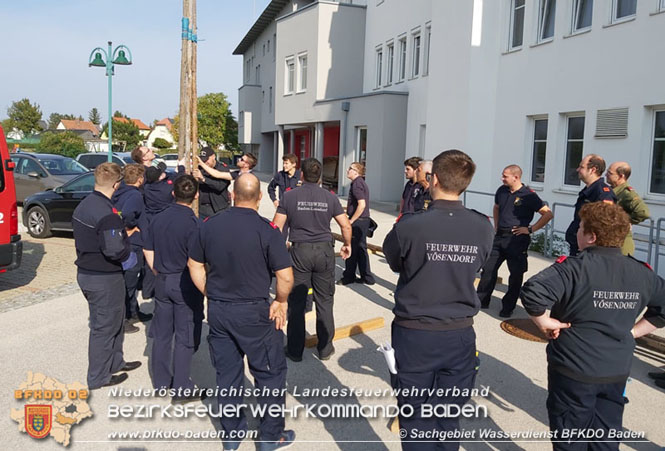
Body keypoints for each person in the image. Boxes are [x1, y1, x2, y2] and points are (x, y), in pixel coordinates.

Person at [520, 202, 665, 450]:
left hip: (573, 371)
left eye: (580, 227)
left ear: (591, 236)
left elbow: (533, 291)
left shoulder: (574, 267)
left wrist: (545, 322)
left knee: (570, 439)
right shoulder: (643, 273)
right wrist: (632, 332)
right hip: (616, 370)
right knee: (605, 439)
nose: (576, 231)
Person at [383, 149, 493, 451]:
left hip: (415, 333)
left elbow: (394, 261)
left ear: (433, 179)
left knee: (416, 418)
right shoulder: (483, 226)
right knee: (447, 416)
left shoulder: (409, 224)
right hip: (458, 333)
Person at [188, 173, 295, 451]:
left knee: (228, 375)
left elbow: (194, 265)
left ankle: (232, 434)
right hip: (255, 312)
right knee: (269, 375)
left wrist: (209, 293)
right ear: (260, 198)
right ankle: (270, 437)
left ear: (232, 195)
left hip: (221, 312)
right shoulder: (268, 230)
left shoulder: (208, 226)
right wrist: (281, 301)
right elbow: (285, 276)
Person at [272, 158, 352, 362]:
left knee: (297, 302)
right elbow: (345, 225)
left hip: (300, 252)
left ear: (302, 175)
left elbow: (276, 226)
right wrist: (347, 244)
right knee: (324, 300)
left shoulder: (289, 197)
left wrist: (277, 252)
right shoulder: (330, 197)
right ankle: (325, 349)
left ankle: (295, 350)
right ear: (320, 177)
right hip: (324, 251)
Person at [72, 163, 142, 389]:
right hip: (104, 277)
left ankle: (115, 362)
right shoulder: (106, 213)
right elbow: (114, 250)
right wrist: (129, 257)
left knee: (113, 322)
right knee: (104, 328)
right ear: (116, 184)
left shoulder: (85, 204)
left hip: (88, 273)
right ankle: (98, 377)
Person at [144, 175, 204, 403]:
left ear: (173, 193)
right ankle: (181, 388)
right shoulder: (195, 224)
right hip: (185, 282)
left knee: (161, 334)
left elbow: (148, 249)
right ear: (196, 195)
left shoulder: (157, 219)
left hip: (162, 280)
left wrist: (157, 271)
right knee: (185, 336)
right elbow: (195, 262)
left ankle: (161, 383)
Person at [476, 165, 553, 317]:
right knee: (488, 269)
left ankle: (508, 307)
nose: (502, 178)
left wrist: (530, 229)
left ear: (516, 177)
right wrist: (496, 226)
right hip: (500, 237)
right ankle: (481, 301)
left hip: (517, 239)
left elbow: (548, 214)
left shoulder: (529, 195)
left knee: (516, 275)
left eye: (505, 176)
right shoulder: (502, 190)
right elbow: (497, 207)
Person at [111, 164, 153, 333]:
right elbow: (127, 214)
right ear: (140, 179)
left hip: (128, 242)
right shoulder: (135, 195)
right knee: (130, 280)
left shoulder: (120, 191)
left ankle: (133, 311)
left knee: (132, 280)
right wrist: (129, 227)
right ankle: (124, 318)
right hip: (133, 243)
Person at [565, 154, 616, 256]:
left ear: (593, 170)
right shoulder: (588, 190)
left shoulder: (603, 193)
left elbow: (604, 224)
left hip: (590, 251)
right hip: (579, 246)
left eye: (582, 167)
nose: (577, 170)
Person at [340, 162, 376, 285]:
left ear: (356, 172)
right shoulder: (360, 183)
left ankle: (349, 276)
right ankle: (366, 277)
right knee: (360, 249)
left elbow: (362, 205)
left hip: (359, 221)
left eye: (350, 168)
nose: (347, 170)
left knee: (352, 248)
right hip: (363, 220)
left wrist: (351, 220)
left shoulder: (357, 185)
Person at [606, 161, 650, 256]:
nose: (606, 175)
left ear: (621, 176)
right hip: (610, 241)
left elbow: (643, 212)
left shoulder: (627, 193)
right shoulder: (611, 190)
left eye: (610, 173)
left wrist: (624, 220)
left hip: (621, 243)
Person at [192, 147, 231, 219]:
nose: (205, 163)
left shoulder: (222, 169)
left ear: (213, 157)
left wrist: (203, 179)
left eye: (207, 160)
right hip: (201, 208)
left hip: (218, 208)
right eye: (203, 160)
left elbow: (220, 186)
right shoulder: (200, 169)